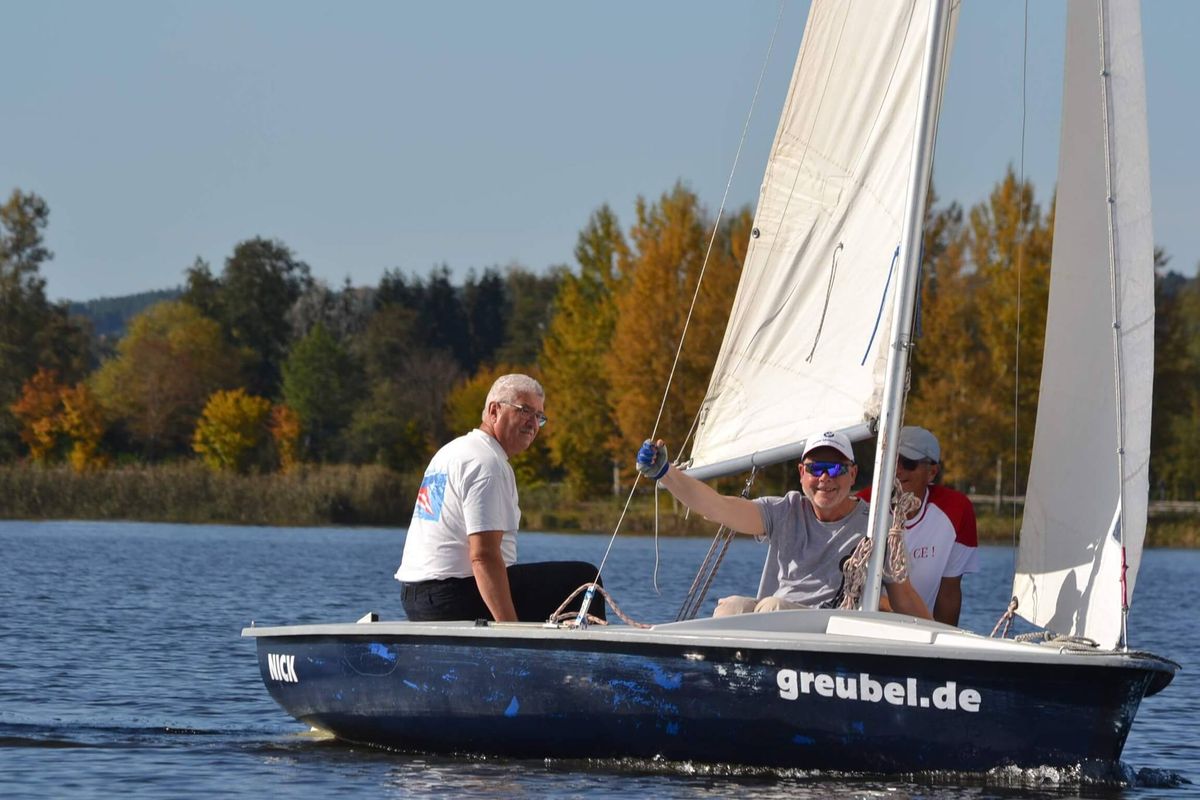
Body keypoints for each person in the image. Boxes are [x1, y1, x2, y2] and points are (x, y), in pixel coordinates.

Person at [636, 430, 930, 618]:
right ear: (802, 473)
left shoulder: (876, 526)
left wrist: (941, 637)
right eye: (816, 469)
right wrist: (666, 473)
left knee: (771, 608)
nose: (825, 478)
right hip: (773, 623)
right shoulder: (784, 510)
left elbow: (902, 595)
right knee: (731, 608)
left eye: (836, 468)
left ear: (853, 475)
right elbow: (718, 507)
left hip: (830, 630)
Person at [396, 374, 604, 623]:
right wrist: (510, 631)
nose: (533, 423)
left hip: (415, 598)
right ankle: (587, 659)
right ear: (494, 410)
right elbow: (483, 556)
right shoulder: (487, 463)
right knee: (583, 579)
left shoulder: (451, 451)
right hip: (451, 598)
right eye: (525, 410)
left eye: (539, 416)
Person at [857, 426, 978, 625]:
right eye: (892, 461)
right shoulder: (862, 506)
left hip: (919, 634)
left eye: (909, 463)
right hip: (864, 627)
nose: (898, 470)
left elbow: (949, 593)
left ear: (931, 472)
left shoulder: (958, 510)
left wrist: (943, 647)